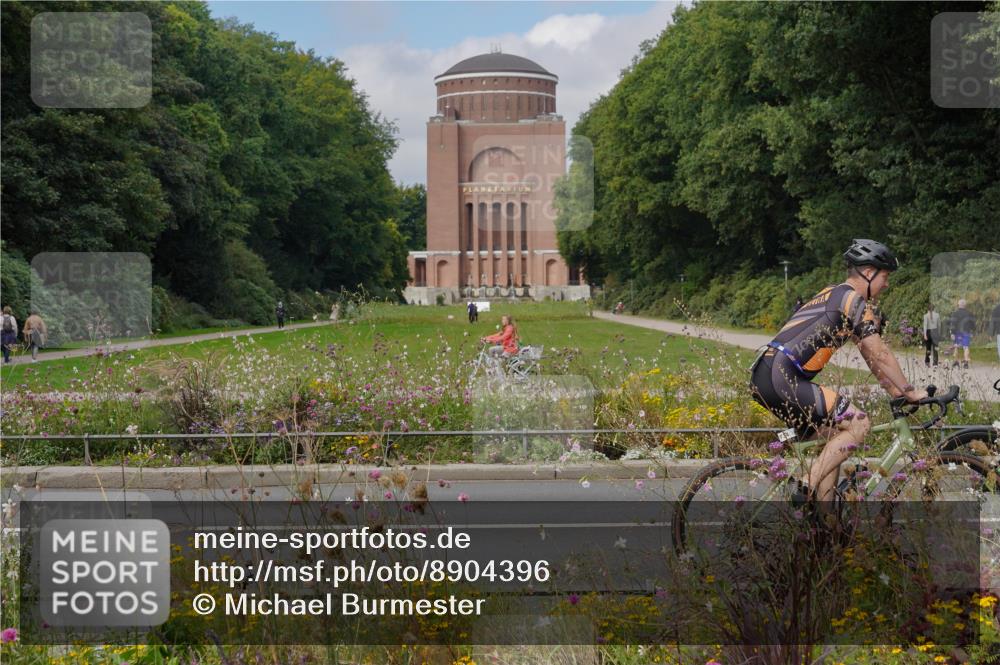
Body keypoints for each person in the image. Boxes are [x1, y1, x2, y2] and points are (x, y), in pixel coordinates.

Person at [750, 239, 925, 504]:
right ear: (869, 273)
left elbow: (870, 356)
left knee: (835, 439)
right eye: (885, 276)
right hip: (782, 377)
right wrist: (911, 392)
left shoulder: (836, 294)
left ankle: (826, 525)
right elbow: (880, 353)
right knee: (860, 423)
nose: (886, 284)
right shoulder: (852, 300)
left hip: (769, 373)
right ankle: (806, 487)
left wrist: (894, 391)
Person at [949, 299, 975, 369]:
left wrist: (952, 333)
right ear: (965, 305)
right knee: (966, 347)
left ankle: (956, 362)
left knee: (956, 346)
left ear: (958, 304)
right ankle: (966, 363)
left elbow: (953, 324)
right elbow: (972, 323)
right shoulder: (969, 313)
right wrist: (972, 331)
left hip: (957, 332)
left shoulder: (955, 313)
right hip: (966, 332)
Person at [922, 303, 941, 367]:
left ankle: (927, 362)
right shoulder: (937, 315)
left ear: (928, 308)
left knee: (928, 348)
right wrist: (938, 333)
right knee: (935, 348)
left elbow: (925, 326)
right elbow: (939, 325)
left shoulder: (925, 315)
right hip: (935, 331)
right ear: (934, 308)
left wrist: (925, 335)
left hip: (928, 332)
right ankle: (935, 363)